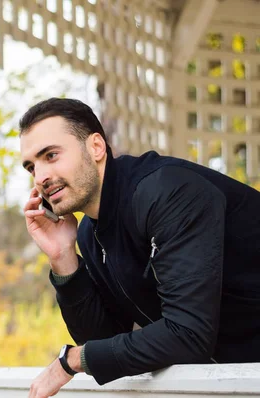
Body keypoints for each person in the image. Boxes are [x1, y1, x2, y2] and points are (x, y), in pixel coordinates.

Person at [20, 98, 260, 398]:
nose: (40, 177)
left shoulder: (168, 192)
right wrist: (63, 258)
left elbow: (188, 334)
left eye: (51, 155)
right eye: (31, 167)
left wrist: (71, 361)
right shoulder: (89, 235)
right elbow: (105, 341)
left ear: (96, 147)